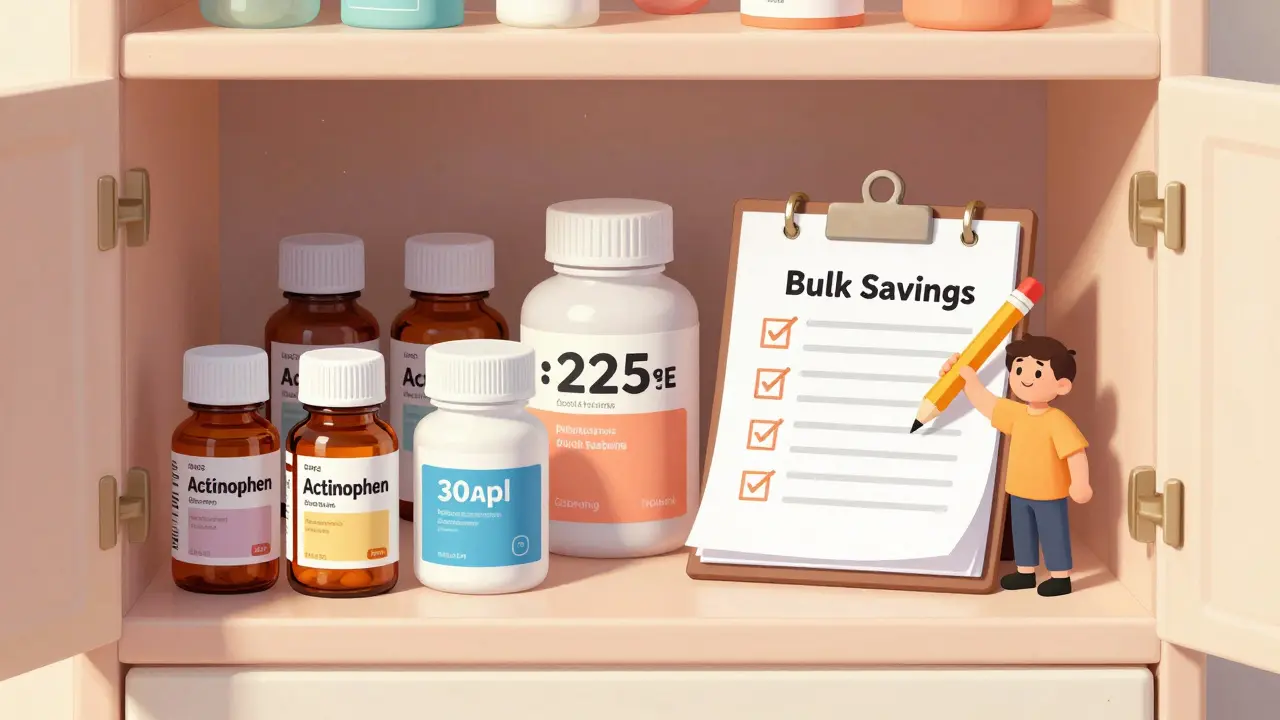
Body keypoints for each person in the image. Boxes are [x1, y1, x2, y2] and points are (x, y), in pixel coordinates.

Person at [939, 334, 1090, 597]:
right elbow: (985, 402)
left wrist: (1080, 482)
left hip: (1049, 492)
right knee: (1023, 533)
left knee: (1053, 532)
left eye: (1037, 372)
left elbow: (1075, 452)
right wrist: (966, 379)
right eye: (1019, 368)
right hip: (1018, 490)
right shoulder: (1016, 413)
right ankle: (1025, 572)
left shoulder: (1058, 420)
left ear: (1062, 385)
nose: (1024, 377)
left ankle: (1060, 576)